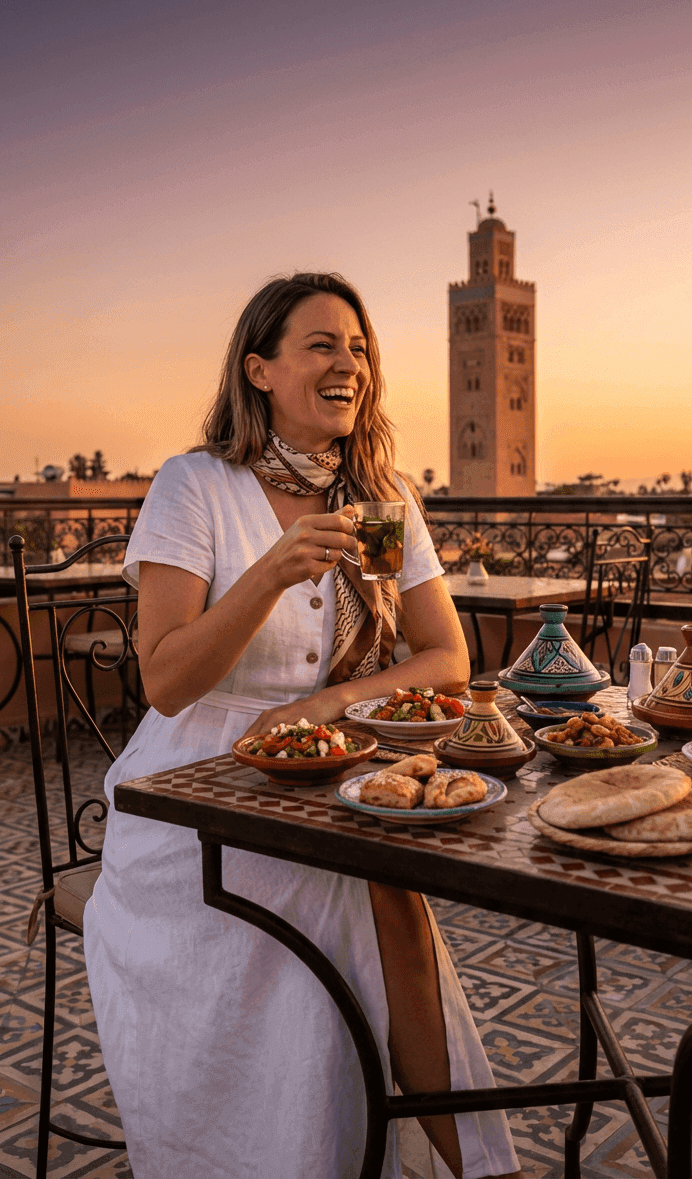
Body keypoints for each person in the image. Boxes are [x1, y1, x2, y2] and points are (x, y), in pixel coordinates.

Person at [84, 272, 523, 1179]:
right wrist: (271, 572)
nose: (348, 364)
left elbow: (447, 659)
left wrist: (321, 707)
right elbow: (165, 681)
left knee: (387, 890)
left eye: (359, 348)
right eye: (322, 345)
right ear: (259, 370)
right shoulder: (196, 485)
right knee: (368, 895)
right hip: (194, 791)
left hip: (328, 764)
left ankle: (453, 1162)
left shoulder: (378, 497)